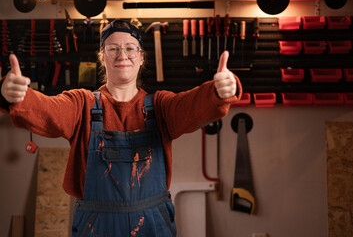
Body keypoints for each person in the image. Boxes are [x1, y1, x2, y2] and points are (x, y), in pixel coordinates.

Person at [0, 19, 241, 237]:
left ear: (142, 57)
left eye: (130, 48)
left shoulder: (161, 107)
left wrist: (218, 92)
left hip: (153, 226)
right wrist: (16, 96)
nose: (121, 55)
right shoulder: (81, 104)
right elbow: (47, 110)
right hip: (96, 227)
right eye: (113, 48)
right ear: (102, 57)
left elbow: (192, 106)